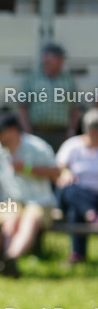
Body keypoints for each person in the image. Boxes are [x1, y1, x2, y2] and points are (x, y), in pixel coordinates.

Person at [0, 111, 60, 276]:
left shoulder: (38, 146)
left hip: (40, 200)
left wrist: (27, 168)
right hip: (10, 201)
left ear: (13, 130)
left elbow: (56, 173)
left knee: (30, 221)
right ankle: (7, 263)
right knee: (10, 222)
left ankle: (11, 257)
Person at [17, 43, 82, 152]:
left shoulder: (68, 80)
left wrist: (71, 130)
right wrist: (28, 131)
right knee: (39, 165)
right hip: (39, 132)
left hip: (61, 133)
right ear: (47, 59)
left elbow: (74, 108)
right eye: (58, 58)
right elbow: (23, 107)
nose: (61, 62)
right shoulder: (32, 78)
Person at [55, 108, 98, 263]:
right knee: (70, 189)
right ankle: (91, 215)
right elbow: (59, 167)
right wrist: (66, 172)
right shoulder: (72, 145)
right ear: (90, 131)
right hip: (73, 193)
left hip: (94, 198)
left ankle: (77, 255)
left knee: (76, 211)